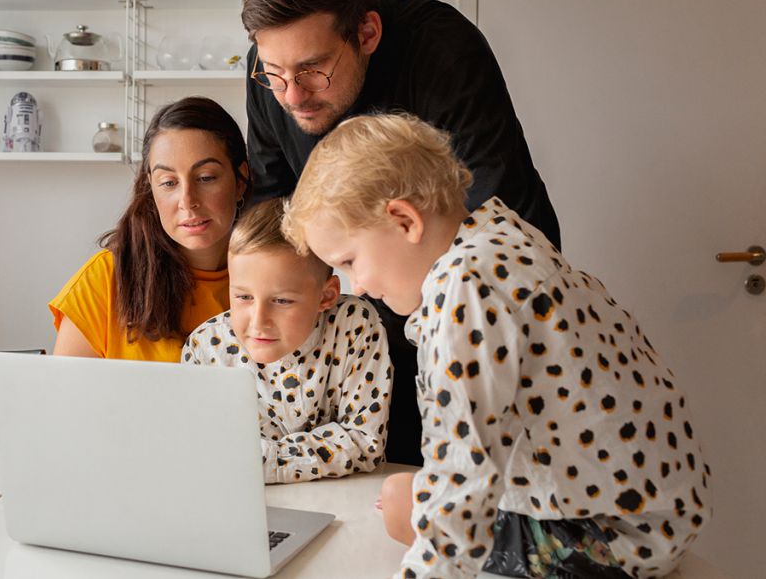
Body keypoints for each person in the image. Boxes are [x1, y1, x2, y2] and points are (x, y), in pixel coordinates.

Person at [281, 112, 711, 578]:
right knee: (406, 494)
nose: (357, 286)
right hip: (656, 509)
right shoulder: (500, 235)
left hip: (614, 534)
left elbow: (463, 473)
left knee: (406, 507)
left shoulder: (464, 288)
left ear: (404, 221)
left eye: (350, 260)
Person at [242, 0, 560, 465]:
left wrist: (448, 337)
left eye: (313, 69)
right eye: (274, 72)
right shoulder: (273, 72)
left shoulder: (440, 49)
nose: (291, 95)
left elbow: (500, 216)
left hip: (477, 318)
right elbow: (273, 214)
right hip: (352, 342)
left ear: (367, 33)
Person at [181, 197, 392, 484]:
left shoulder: (353, 323)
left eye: (281, 300)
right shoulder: (205, 349)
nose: (258, 321)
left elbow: (364, 443)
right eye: (243, 297)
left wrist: (260, 462)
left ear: (326, 296)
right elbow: (202, 454)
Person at [49, 96, 249, 361]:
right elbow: (62, 397)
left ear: (240, 181)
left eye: (205, 178)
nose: (187, 202)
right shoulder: (104, 280)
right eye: (168, 182)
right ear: (150, 188)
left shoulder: (275, 276)